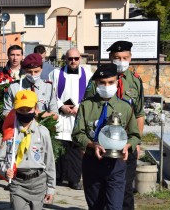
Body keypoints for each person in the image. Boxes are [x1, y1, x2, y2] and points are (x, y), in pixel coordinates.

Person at [85, 41, 144, 210]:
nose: (121, 61)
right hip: (102, 145)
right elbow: (89, 106)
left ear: (130, 58)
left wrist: (136, 142)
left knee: (124, 190)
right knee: (101, 191)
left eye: (125, 57)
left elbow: (139, 113)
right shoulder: (98, 80)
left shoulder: (135, 81)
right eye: (117, 58)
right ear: (111, 58)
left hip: (125, 145)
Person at [72, 63, 141, 210]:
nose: (106, 85)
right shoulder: (86, 106)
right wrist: (92, 145)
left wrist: (128, 145)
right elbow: (77, 134)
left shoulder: (126, 107)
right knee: (96, 206)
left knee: (115, 206)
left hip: (116, 165)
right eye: (102, 83)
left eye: (110, 82)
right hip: (92, 163)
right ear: (96, 83)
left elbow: (135, 135)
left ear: (117, 82)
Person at [0, 90, 56, 209]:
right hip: (18, 181)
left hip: (38, 182)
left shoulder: (43, 132)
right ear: (15, 110)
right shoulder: (10, 132)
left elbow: (49, 162)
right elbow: (1, 160)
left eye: (28, 109)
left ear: (35, 109)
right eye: (21, 110)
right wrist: (5, 170)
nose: (25, 113)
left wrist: (51, 188)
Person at [49, 48, 92, 190]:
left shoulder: (87, 74)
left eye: (76, 58)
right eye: (70, 59)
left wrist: (79, 107)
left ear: (80, 59)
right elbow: (50, 93)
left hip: (77, 117)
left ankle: (74, 179)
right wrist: (61, 106)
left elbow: (91, 95)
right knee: (59, 147)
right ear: (65, 59)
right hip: (61, 116)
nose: (73, 61)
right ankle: (58, 176)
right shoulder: (55, 74)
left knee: (75, 150)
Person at [3, 53, 58, 120]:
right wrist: (23, 116)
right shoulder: (14, 87)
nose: (33, 74)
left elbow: (55, 115)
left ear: (41, 69)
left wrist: (40, 115)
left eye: (36, 71)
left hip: (42, 128)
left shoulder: (49, 87)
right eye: (29, 72)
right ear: (24, 70)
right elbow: (5, 113)